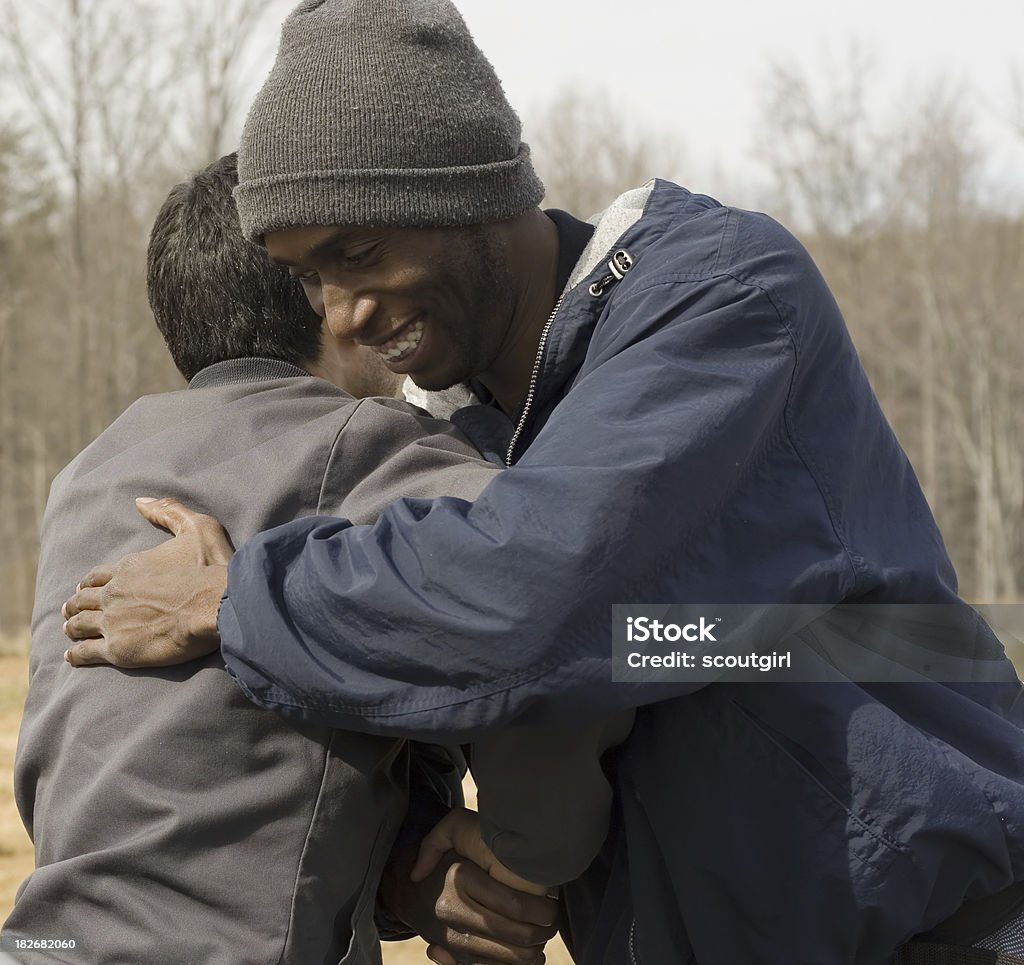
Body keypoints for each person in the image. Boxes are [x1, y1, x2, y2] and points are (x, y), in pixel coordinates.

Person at [59, 2, 1024, 963]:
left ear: (467, 193)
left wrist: (237, 597)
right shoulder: (445, 433)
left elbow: (534, 596)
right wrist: (435, 868)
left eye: (358, 252)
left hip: (932, 925)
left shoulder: (715, 294)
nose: (342, 316)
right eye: (308, 279)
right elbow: (574, 666)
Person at [4, 152, 590, 965]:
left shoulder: (90, 473)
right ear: (322, 299)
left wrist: (403, 863)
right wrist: (526, 852)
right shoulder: (358, 443)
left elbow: (207, 753)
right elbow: (557, 575)